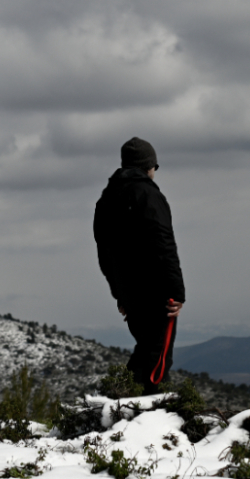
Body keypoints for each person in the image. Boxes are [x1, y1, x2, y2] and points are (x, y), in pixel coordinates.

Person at [93, 137, 185, 394]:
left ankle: (119, 403)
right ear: (149, 166)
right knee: (158, 359)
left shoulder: (106, 200)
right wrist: (177, 293)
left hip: (130, 296)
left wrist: (120, 294)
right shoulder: (148, 194)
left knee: (146, 349)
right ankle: (150, 415)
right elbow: (163, 244)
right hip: (156, 293)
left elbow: (105, 253)